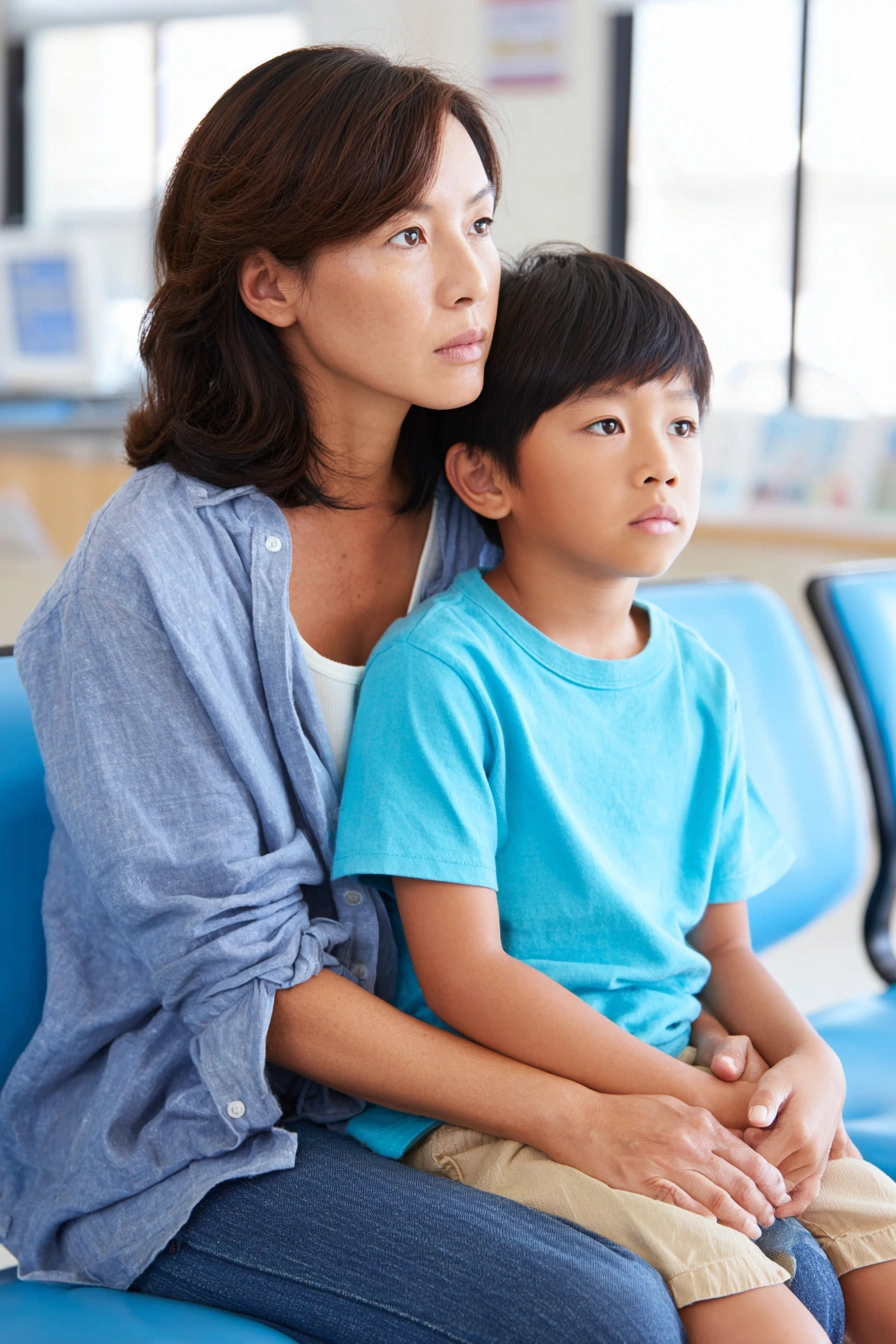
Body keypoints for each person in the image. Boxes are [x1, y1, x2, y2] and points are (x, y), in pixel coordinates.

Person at [0, 50, 843, 1343]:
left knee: (806, 1270)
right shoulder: (147, 575)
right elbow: (244, 978)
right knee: (608, 1313)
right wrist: (583, 1115)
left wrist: (712, 1061)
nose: (470, 280)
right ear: (269, 281)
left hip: (458, 1085)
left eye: (481, 223)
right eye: (406, 233)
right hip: (207, 1131)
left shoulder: (481, 512)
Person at [332, 247, 896, 1343]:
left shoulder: (695, 676)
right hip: (500, 1109)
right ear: (485, 477)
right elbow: (467, 977)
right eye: (604, 427)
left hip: (680, 1072)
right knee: (767, 1323)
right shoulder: (442, 671)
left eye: (679, 425)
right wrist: (697, 1102)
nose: (659, 464)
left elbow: (720, 951)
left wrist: (804, 1068)